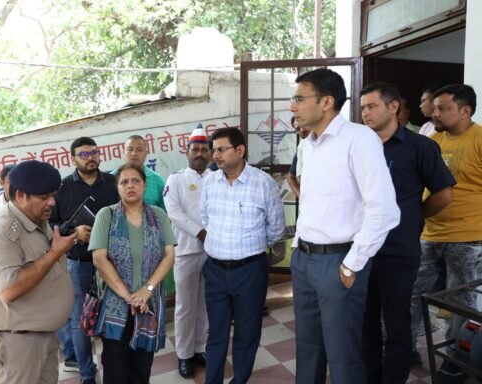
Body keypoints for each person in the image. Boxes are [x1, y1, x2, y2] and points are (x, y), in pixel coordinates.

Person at [289, 69, 400, 384]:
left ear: (326, 102)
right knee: (308, 349)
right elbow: (310, 202)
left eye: (299, 98)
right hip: (305, 260)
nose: (292, 106)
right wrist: (297, 246)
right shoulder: (307, 145)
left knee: (343, 356)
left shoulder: (358, 138)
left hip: (339, 261)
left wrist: (353, 264)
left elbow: (384, 209)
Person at [360, 82, 455, 384]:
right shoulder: (358, 146)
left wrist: (412, 216)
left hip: (399, 250)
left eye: (371, 106)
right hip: (360, 249)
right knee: (365, 323)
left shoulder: (420, 147)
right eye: (362, 108)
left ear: (393, 107)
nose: (365, 113)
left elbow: (443, 194)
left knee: (397, 323)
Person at [0, 160, 79, 384]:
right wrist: (54, 253)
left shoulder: (36, 219)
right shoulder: (1, 232)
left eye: (53, 195)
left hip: (40, 334)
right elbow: (9, 290)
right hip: (14, 341)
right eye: (44, 197)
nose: (52, 202)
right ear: (21, 196)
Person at [200, 126, 284, 384]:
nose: (215, 155)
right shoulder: (209, 182)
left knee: (247, 333)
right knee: (216, 333)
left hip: (249, 271)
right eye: (214, 150)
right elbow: (205, 218)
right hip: (215, 270)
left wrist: (248, 247)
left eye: (221, 149)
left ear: (240, 150)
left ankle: (239, 380)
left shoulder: (263, 183)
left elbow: (276, 229)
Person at [410, 83, 482, 382]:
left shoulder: (479, 140)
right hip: (429, 233)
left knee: (460, 302)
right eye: (435, 107)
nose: (434, 113)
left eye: (443, 108)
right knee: (414, 293)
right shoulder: (432, 141)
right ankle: (405, 347)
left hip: (468, 237)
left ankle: (457, 359)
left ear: (465, 111)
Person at [89, 163, 175, 384]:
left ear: (144, 185)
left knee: (141, 369)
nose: (130, 186)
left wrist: (146, 291)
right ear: (117, 188)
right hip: (115, 305)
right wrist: (130, 297)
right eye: (124, 182)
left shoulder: (158, 216)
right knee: (115, 369)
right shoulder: (106, 215)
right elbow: (99, 259)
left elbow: (169, 256)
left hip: (149, 304)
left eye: (135, 181)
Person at [49, 136, 119, 384]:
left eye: (94, 153)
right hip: (79, 263)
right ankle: (87, 374)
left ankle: (113, 370)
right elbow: (51, 226)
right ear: (73, 159)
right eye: (84, 154)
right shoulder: (62, 188)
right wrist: (74, 233)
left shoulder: (113, 182)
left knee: (113, 316)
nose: (91, 158)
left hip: (113, 261)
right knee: (81, 321)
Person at [163, 123, 211, 379]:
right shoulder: (176, 179)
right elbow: (175, 214)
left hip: (213, 252)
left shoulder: (216, 177)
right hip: (186, 251)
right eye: (195, 149)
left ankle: (199, 348)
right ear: (187, 152)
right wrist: (202, 233)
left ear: (210, 153)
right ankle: (183, 354)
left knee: (204, 304)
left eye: (204, 149)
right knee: (184, 306)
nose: (200, 154)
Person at [114, 135, 166, 210]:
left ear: (146, 153)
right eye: (130, 149)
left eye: (139, 150)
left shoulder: (157, 179)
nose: (134, 153)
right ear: (123, 152)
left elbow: (164, 211)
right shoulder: (112, 177)